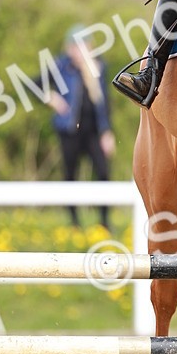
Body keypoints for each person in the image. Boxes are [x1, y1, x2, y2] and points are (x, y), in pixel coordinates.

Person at [46, 26, 116, 229]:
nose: (80, 51)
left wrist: (107, 131)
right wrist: (52, 98)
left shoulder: (98, 67)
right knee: (70, 175)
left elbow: (104, 102)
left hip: (94, 130)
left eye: (84, 46)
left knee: (103, 173)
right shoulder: (61, 66)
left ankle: (104, 221)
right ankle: (74, 222)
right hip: (69, 131)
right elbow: (34, 84)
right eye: (76, 47)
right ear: (69, 48)